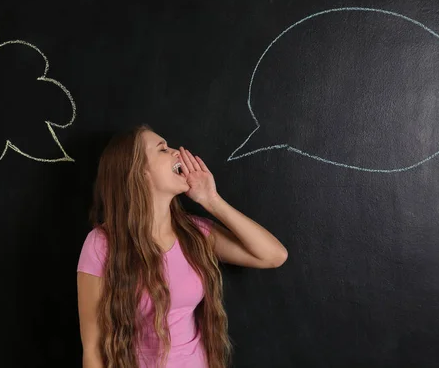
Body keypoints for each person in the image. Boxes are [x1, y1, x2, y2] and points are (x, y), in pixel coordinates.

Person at [77, 125, 287, 368]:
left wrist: (211, 200)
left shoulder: (194, 233)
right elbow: (92, 349)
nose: (178, 152)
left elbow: (274, 255)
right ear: (138, 171)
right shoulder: (101, 244)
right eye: (163, 149)